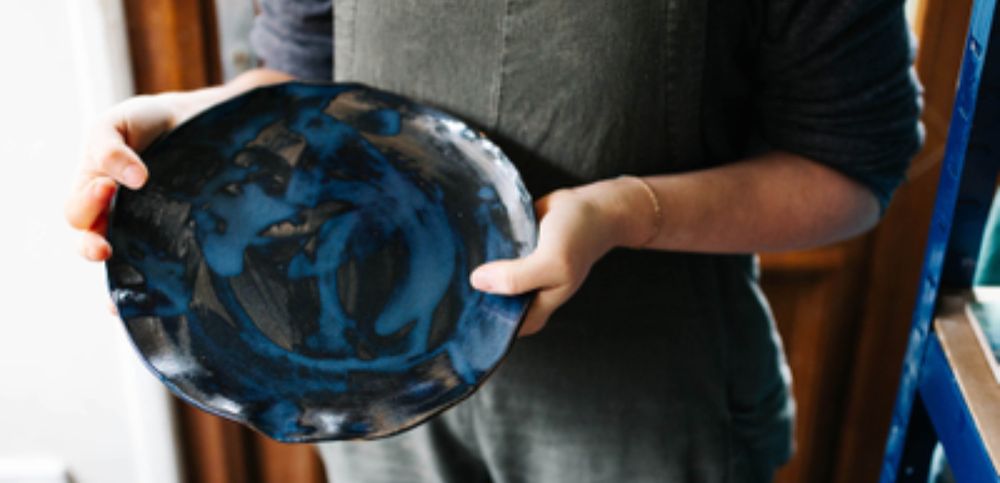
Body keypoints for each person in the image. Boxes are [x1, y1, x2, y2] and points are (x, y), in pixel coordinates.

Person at [65, 0, 922, 481]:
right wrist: (182, 123)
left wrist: (628, 212)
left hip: (647, 407)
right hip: (375, 408)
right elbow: (308, 80)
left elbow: (851, 169)